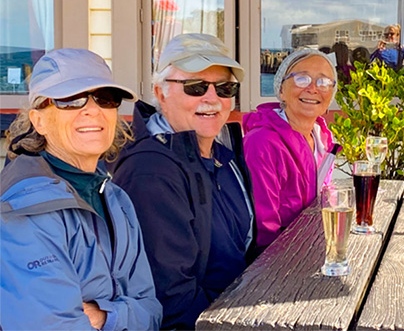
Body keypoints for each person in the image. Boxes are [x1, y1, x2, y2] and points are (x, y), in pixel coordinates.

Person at [1, 49, 161, 330]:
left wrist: (104, 316)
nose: (92, 109)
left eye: (105, 98)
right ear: (39, 121)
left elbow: (151, 310)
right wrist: (126, 313)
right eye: (70, 99)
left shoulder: (116, 198)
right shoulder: (23, 208)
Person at [111, 34, 255, 330]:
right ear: (160, 93)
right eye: (196, 87)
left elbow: (244, 249)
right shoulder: (150, 170)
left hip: (243, 305)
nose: (212, 98)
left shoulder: (222, 153)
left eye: (225, 87)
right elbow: (172, 301)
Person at [243, 49, 339, 251]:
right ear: (280, 90)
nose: (313, 88)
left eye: (323, 82)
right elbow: (264, 231)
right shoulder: (262, 142)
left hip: (311, 247)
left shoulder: (322, 138)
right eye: (302, 79)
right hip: (277, 263)